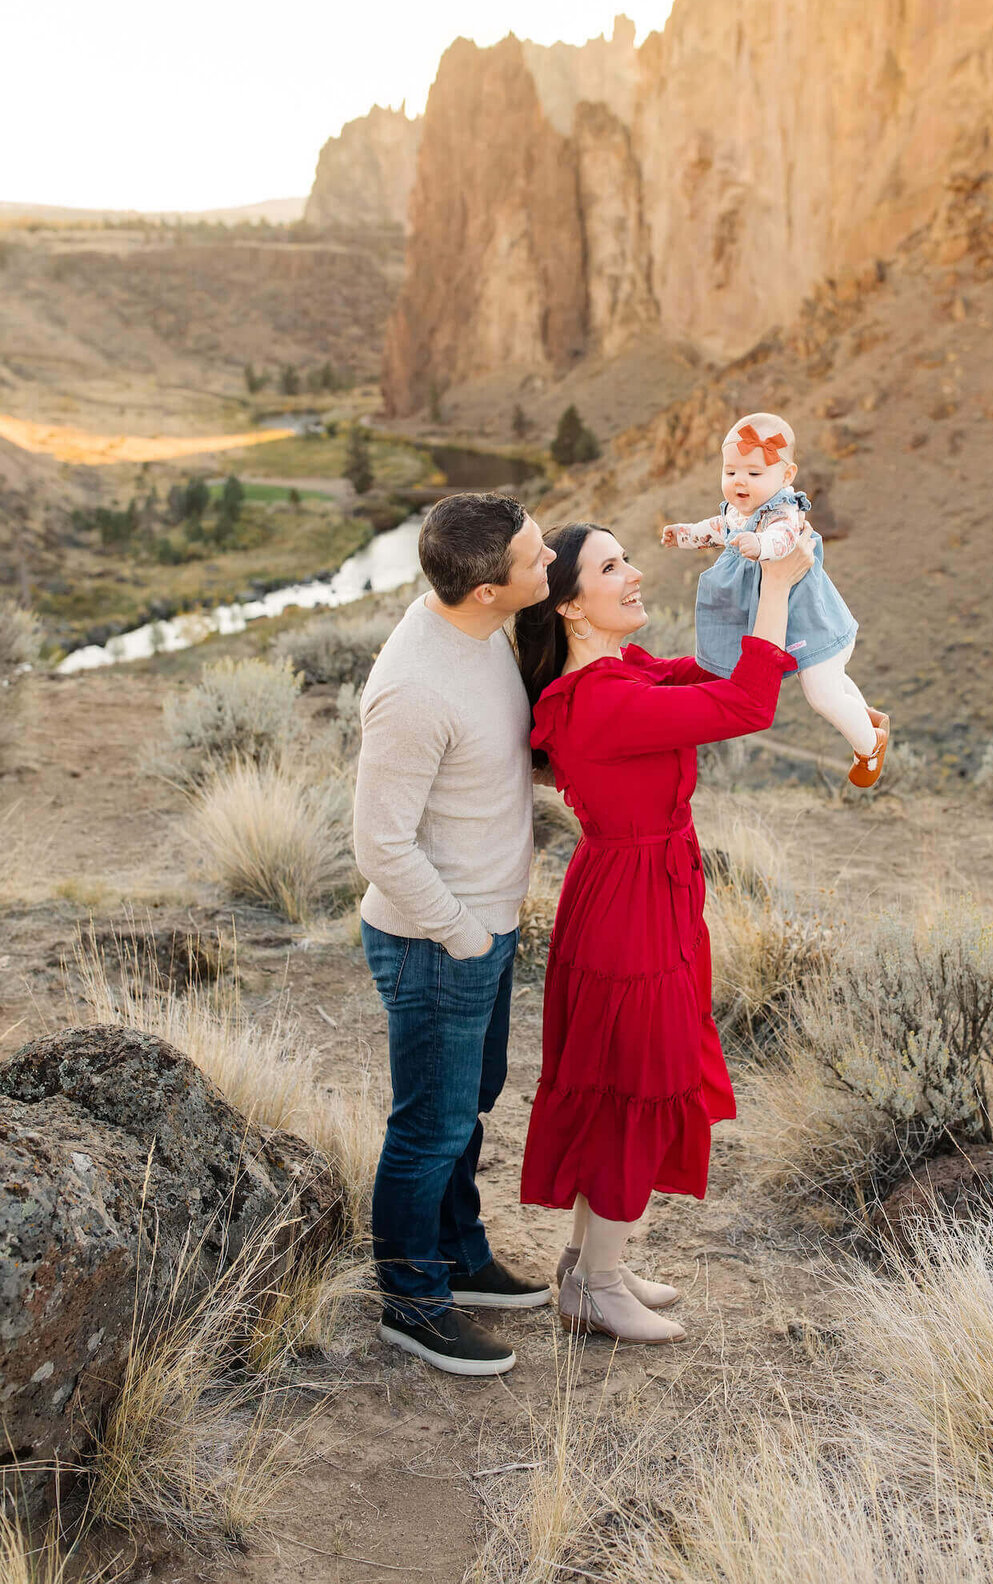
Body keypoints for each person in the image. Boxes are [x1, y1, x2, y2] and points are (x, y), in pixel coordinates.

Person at [512, 520, 815, 1344]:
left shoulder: (622, 671)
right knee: (632, 1083)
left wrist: (753, 561)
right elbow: (746, 704)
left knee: (618, 1077)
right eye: (613, 567)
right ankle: (601, 1281)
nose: (635, 574)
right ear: (572, 607)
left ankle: (585, 1269)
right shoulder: (601, 699)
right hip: (630, 909)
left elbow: (719, 673)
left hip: (643, 891)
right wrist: (782, 587)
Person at [354, 492, 557, 1378]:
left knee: (468, 1101)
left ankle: (459, 1256)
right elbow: (379, 844)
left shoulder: (478, 633)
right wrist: (464, 935)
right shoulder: (412, 686)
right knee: (429, 1125)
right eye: (537, 557)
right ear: (487, 589)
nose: (548, 563)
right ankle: (411, 1300)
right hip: (438, 941)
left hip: (484, 925)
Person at [661, 411, 889, 787]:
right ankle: (867, 717)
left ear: (786, 476)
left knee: (821, 693)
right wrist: (683, 535)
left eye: (754, 473)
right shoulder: (739, 514)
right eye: (731, 471)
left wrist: (760, 545)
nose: (740, 482)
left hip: (810, 620)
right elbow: (713, 529)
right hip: (797, 621)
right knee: (831, 678)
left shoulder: (782, 511)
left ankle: (869, 746)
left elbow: (783, 538)